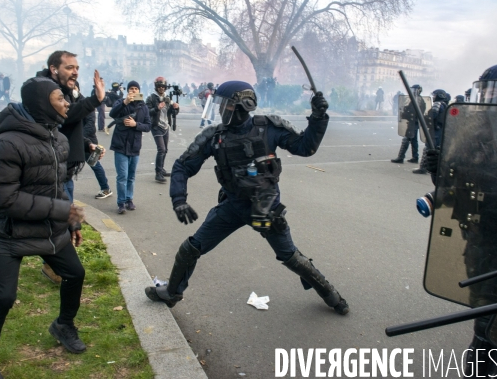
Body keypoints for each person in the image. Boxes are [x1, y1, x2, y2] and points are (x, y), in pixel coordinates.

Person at [145, 81, 350, 315]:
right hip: (232, 206)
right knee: (191, 248)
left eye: (226, 105)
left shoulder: (269, 127)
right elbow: (182, 166)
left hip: (265, 209)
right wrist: (178, 199)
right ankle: (172, 293)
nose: (221, 110)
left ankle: (332, 296)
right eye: (219, 104)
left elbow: (305, 147)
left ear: (244, 105)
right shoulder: (214, 136)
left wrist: (318, 117)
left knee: (291, 256)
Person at [425, 63, 497, 377]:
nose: (487, 98)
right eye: (483, 90)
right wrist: (440, 171)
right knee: (485, 329)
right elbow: (457, 188)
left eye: (495, 90)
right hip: (482, 247)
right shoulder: (477, 130)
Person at [0, 77, 87, 379]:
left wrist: (72, 220)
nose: (66, 103)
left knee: (75, 273)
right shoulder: (6, 143)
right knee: (3, 298)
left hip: (48, 228)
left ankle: (64, 325)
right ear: (40, 104)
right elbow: (3, 199)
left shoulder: (58, 139)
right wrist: (63, 210)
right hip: (8, 231)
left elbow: (55, 188)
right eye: (58, 98)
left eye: (65, 98)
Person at [35, 50, 106, 283]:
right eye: (69, 67)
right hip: (49, 165)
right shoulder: (45, 89)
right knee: (57, 218)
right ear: (54, 68)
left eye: (76, 68)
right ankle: (52, 265)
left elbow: (70, 128)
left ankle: (57, 262)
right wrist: (95, 100)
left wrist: (87, 145)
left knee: (64, 218)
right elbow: (66, 116)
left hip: (65, 165)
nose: (75, 72)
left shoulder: (69, 91)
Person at [109, 81, 152, 214]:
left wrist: (136, 124)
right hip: (120, 145)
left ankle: (129, 199)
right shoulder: (121, 102)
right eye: (131, 89)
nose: (133, 91)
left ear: (139, 91)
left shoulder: (143, 107)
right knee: (122, 176)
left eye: (136, 89)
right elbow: (112, 114)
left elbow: (148, 126)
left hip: (135, 147)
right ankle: (121, 203)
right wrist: (125, 102)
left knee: (131, 176)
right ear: (128, 91)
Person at [146, 76, 179, 183]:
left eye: (163, 86)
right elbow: (146, 112)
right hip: (156, 126)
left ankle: (162, 169)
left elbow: (171, 113)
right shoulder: (151, 98)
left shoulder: (167, 98)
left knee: (165, 149)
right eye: (159, 86)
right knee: (161, 149)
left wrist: (176, 108)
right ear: (156, 87)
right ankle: (158, 173)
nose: (161, 88)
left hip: (165, 126)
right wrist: (157, 108)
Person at [412, 89, 449, 175]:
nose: (433, 97)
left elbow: (432, 115)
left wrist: (425, 118)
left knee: (429, 148)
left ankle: (423, 168)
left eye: (435, 95)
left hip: (435, 130)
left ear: (439, 95)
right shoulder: (445, 104)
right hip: (439, 129)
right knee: (436, 149)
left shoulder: (438, 104)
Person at [83, 109, 113, 200]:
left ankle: (105, 188)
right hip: (80, 140)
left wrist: (77, 136)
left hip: (88, 142)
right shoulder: (72, 102)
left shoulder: (86, 105)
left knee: (95, 165)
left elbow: (90, 126)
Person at [391, 84, 424, 164]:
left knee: (406, 139)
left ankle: (401, 157)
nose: (412, 91)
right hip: (414, 122)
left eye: (414, 90)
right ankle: (415, 157)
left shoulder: (418, 100)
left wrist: (405, 112)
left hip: (413, 122)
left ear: (418, 90)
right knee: (413, 140)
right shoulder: (417, 99)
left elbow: (412, 111)